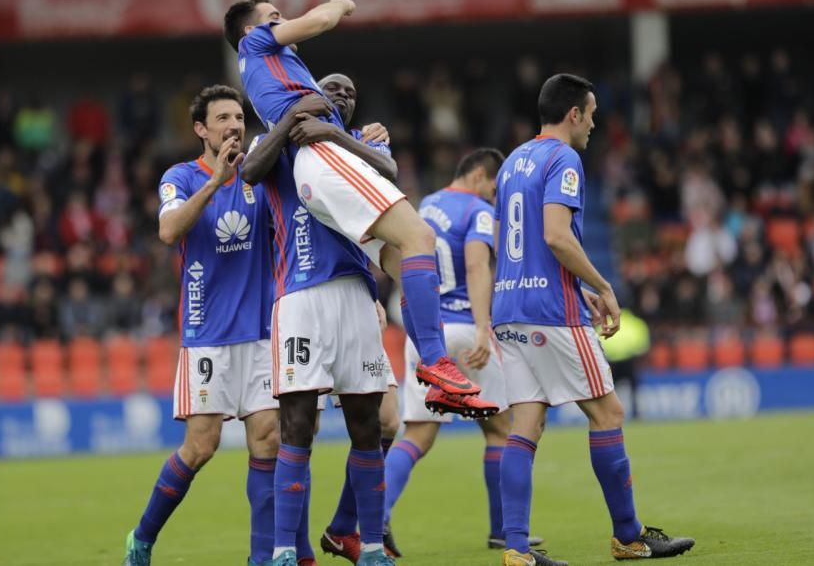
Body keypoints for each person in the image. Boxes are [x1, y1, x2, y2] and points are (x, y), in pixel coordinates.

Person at [224, 0, 496, 418]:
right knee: (420, 236)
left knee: (407, 263)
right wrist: (338, 3)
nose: (282, 22)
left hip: (321, 172)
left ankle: (437, 370)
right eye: (274, 17)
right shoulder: (257, 46)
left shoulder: (281, 75)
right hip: (323, 163)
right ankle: (436, 364)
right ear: (251, 31)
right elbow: (319, 20)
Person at [493, 74, 695, 565]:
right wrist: (602, 285)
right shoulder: (565, 159)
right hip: (551, 313)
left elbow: (506, 240)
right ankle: (628, 536)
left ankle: (516, 550)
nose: (595, 123)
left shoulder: (512, 162)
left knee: (526, 423)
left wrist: (570, 282)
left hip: (508, 307)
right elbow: (557, 237)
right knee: (608, 414)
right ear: (574, 114)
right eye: (592, 112)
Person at [239, 88, 397, 566]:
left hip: (355, 292)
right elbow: (248, 172)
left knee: (368, 425)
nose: (342, 94)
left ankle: (370, 546)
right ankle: (285, 550)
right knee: (297, 425)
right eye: (330, 87)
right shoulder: (273, 143)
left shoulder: (364, 142)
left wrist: (334, 135)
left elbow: (389, 175)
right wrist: (290, 123)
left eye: (350, 91)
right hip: (301, 298)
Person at [122, 85, 278, 566]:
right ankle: (142, 539)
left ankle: (262, 558)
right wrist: (216, 181)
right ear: (201, 129)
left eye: (239, 116)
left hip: (261, 332)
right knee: (201, 446)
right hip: (206, 333)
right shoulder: (182, 177)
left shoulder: (263, 171)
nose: (234, 124)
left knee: (268, 438)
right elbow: (169, 231)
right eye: (223, 118)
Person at [381, 148, 529, 557]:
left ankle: (375, 517)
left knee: (418, 434)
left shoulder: (427, 205)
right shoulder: (478, 211)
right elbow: (479, 267)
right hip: (464, 328)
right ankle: (503, 530)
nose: (494, 198)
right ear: (480, 175)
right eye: (494, 188)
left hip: (424, 331)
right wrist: (485, 329)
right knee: (501, 429)